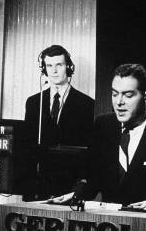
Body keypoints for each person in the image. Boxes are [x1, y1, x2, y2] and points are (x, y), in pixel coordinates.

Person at [53, 63, 146, 213]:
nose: (119, 102)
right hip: (108, 227)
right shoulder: (103, 126)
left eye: (128, 95)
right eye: (115, 94)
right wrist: (77, 195)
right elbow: (92, 178)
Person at [23, 45, 94, 199]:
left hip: (69, 187)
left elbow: (89, 151)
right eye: (49, 66)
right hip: (38, 186)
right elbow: (28, 145)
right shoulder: (34, 102)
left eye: (59, 65)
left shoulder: (87, 105)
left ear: (69, 67)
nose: (54, 71)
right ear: (44, 69)